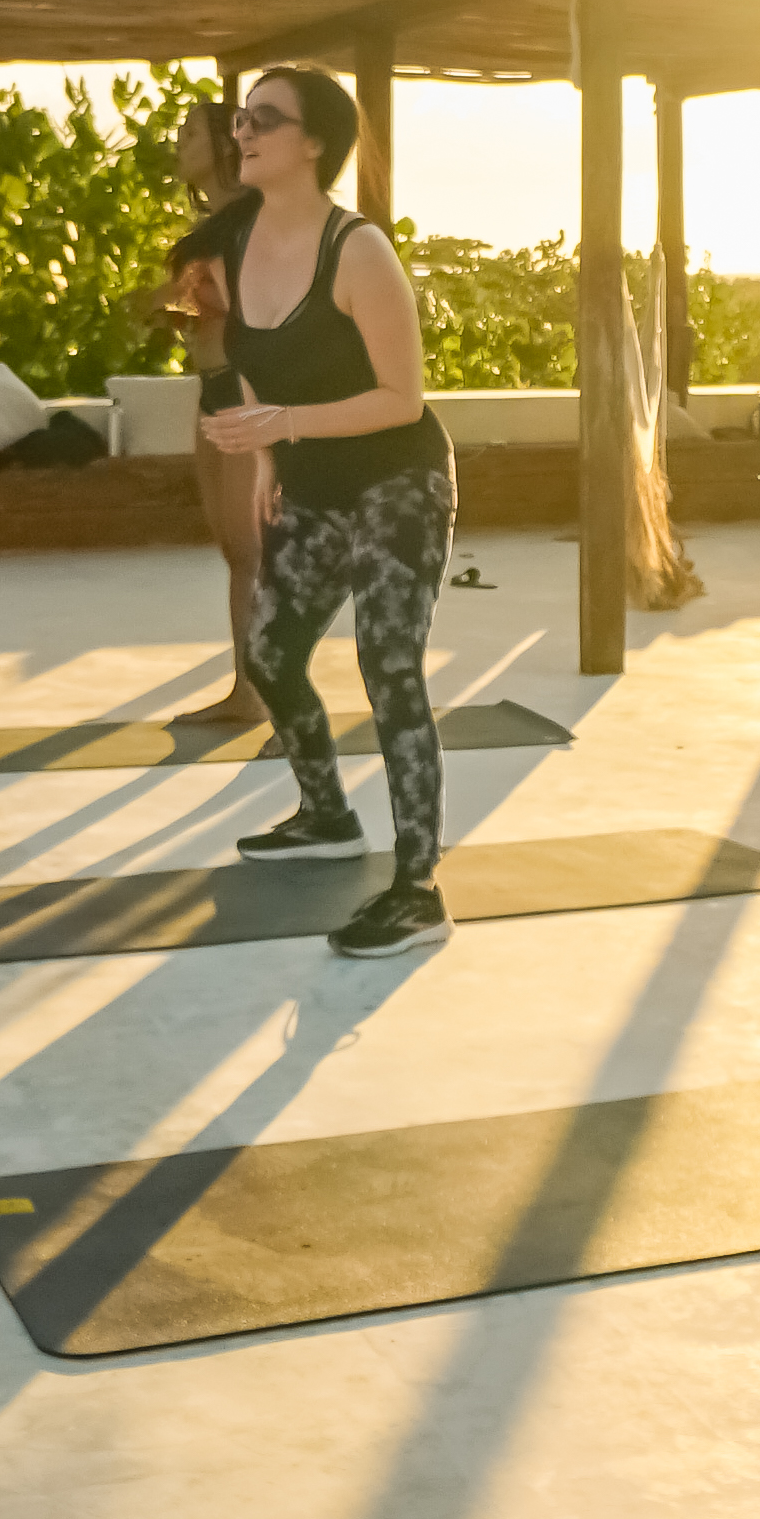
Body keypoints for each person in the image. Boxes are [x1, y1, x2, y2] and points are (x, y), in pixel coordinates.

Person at [203, 66, 453, 961]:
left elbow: (400, 397)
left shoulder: (359, 250)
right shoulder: (239, 240)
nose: (244, 131)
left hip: (396, 479)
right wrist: (270, 453)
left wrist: (284, 425)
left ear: (315, 143)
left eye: (265, 119)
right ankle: (325, 814)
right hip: (309, 481)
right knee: (271, 653)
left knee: (389, 663)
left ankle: (418, 888)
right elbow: (251, 359)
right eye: (241, 117)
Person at [157, 94, 274, 727]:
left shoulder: (255, 218)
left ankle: (257, 695)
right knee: (235, 551)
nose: (180, 146)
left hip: (246, 388)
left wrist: (194, 302)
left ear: (225, 144)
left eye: (190, 135)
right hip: (214, 386)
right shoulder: (213, 226)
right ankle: (247, 687)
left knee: (251, 553)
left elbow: (257, 302)